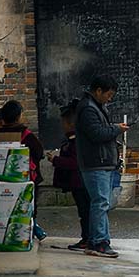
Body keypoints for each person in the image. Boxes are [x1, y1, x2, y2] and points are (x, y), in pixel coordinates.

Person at [75, 74, 129, 258]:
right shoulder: (88, 109)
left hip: (102, 162)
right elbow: (96, 133)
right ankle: (98, 242)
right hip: (95, 163)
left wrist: (113, 127)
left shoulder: (95, 106)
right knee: (100, 202)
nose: (109, 98)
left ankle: (99, 240)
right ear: (98, 90)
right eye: (108, 94)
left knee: (101, 203)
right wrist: (116, 129)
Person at [0, 100, 47, 241]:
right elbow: (39, 152)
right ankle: (30, 229)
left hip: (1, 180)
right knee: (28, 207)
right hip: (26, 179)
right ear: (19, 116)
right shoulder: (26, 135)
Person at [48, 101, 90, 251]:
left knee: (85, 211)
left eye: (64, 123)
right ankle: (87, 237)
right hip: (78, 182)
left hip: (79, 182)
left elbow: (74, 163)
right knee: (84, 211)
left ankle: (87, 238)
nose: (62, 126)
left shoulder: (75, 142)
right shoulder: (73, 140)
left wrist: (56, 160)